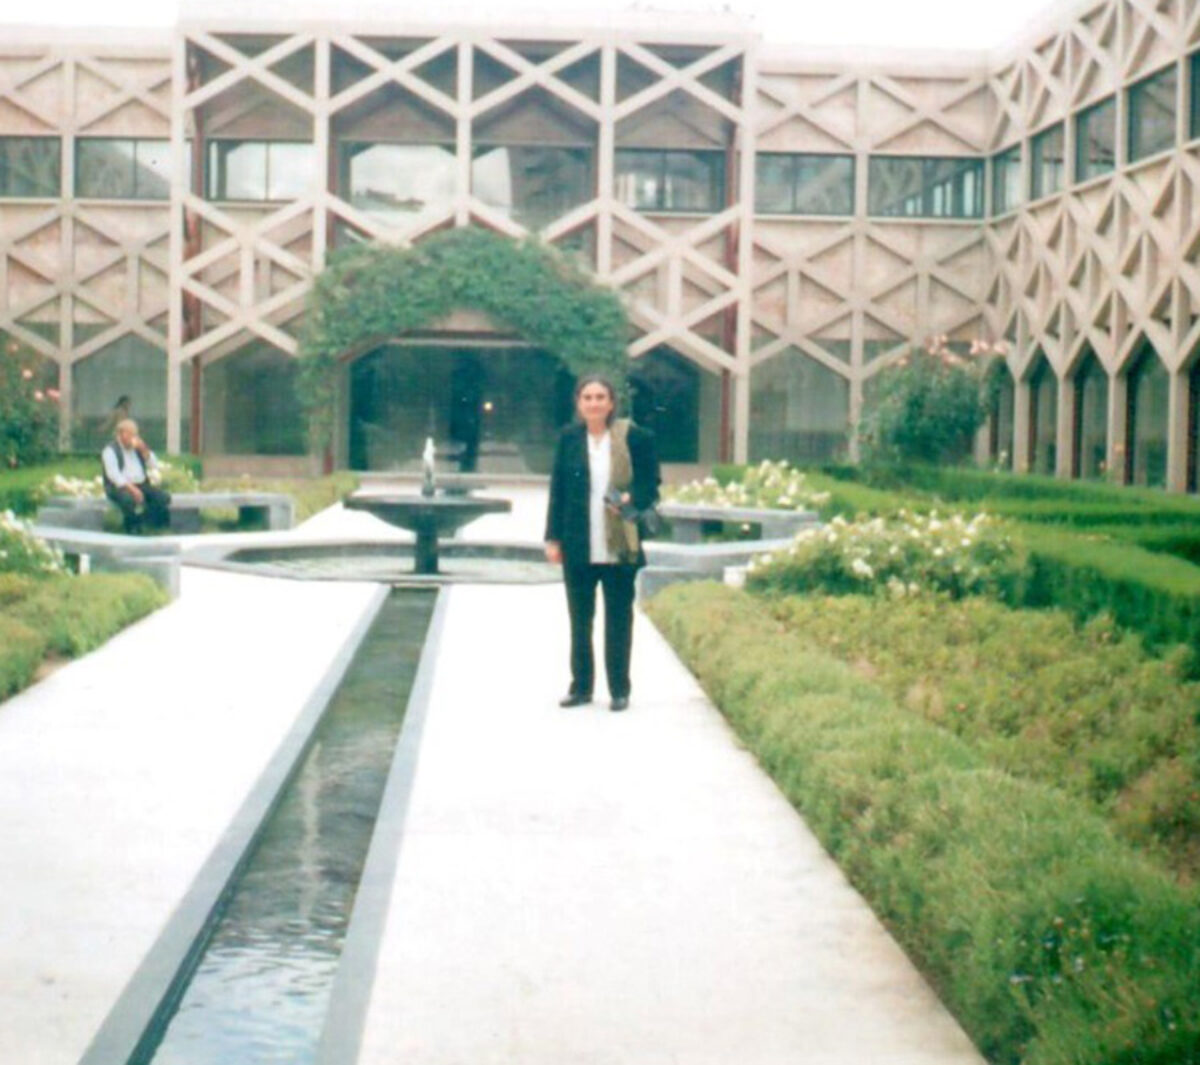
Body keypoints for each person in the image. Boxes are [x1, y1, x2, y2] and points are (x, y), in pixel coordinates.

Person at [544, 374, 660, 712]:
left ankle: (619, 690)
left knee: (619, 617)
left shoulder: (634, 437)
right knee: (580, 619)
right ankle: (581, 687)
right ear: (579, 403)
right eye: (587, 397)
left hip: (620, 543)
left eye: (600, 397)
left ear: (611, 403)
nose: (594, 403)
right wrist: (552, 538)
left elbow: (651, 483)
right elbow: (558, 491)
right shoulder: (568, 439)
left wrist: (630, 497)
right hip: (579, 543)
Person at [101, 419, 171, 534]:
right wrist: (132, 489)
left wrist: (144, 450)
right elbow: (114, 475)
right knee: (128, 500)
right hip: (119, 487)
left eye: (135, 434)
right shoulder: (110, 451)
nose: (133, 438)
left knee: (163, 498)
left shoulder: (138, 449)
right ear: (121, 434)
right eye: (130, 434)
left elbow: (154, 465)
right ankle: (132, 528)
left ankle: (152, 526)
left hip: (141, 484)